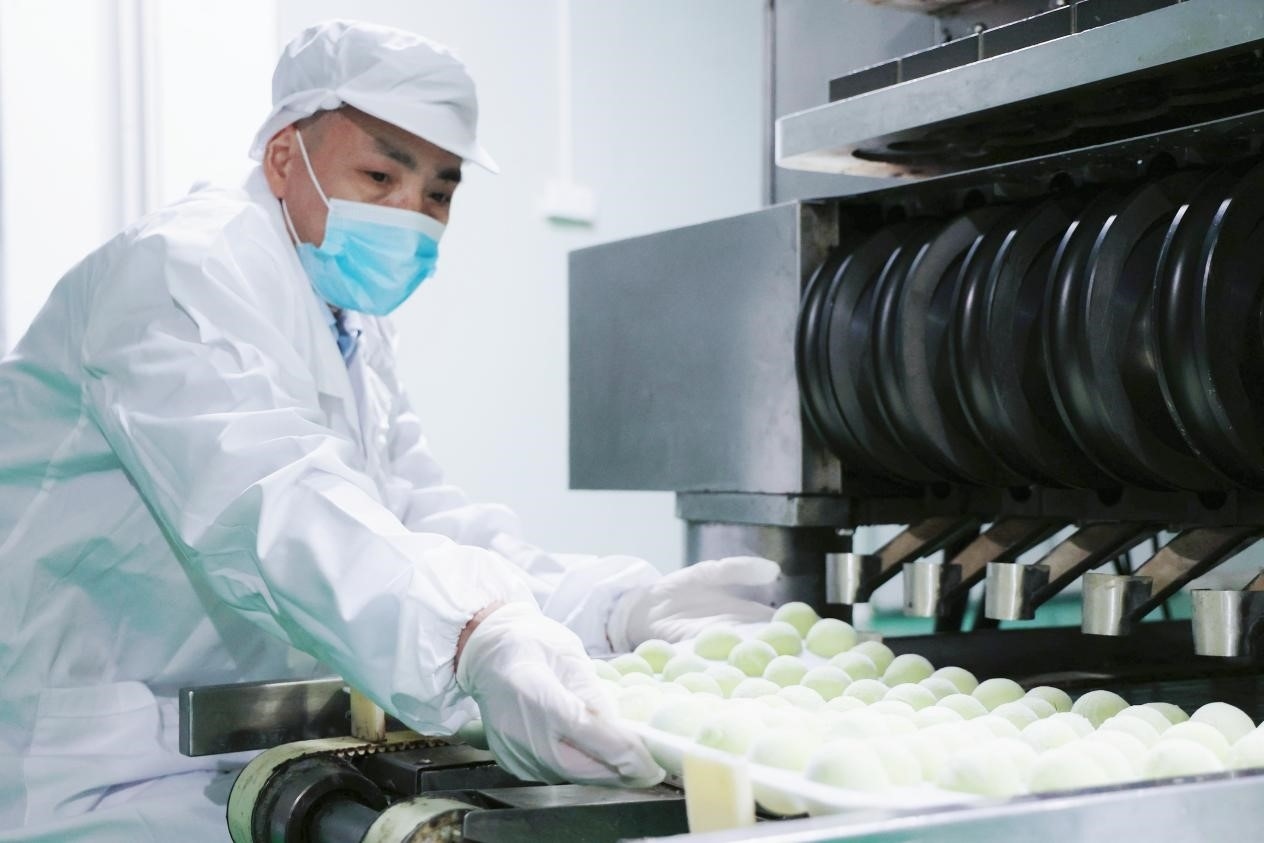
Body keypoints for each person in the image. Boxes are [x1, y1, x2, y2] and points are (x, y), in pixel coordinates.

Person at [0, 19, 779, 841]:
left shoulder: (349, 327)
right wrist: (471, 636)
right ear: (283, 157)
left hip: (235, 759)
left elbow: (415, 519)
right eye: (379, 174)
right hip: (86, 767)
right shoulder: (183, 271)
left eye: (439, 193)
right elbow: (275, 504)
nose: (412, 214)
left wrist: (611, 606)